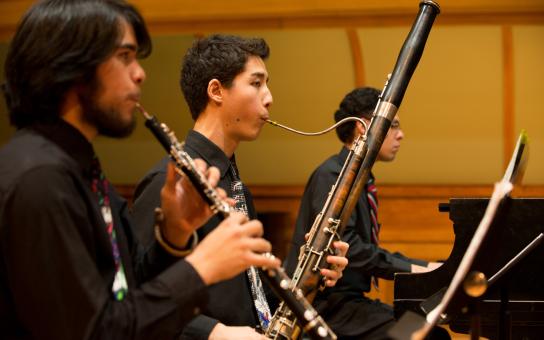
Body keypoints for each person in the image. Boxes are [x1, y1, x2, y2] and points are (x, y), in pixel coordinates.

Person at [0, 2, 280, 339]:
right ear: (72, 67)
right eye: (124, 57)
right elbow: (96, 331)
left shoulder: (81, 169)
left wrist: (173, 237)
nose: (140, 73)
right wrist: (201, 268)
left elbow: (130, 292)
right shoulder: (40, 178)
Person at [131, 34, 349, 339]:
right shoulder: (170, 184)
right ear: (216, 91)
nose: (269, 97)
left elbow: (254, 301)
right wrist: (215, 333)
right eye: (256, 83)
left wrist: (312, 274)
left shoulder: (237, 187)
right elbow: (141, 304)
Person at [284, 87, 442, 339]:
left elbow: (362, 248)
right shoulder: (333, 175)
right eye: (393, 126)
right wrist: (417, 271)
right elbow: (353, 249)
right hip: (323, 305)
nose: (401, 135)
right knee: (427, 335)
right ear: (362, 126)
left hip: (345, 303)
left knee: (425, 329)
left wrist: (423, 266)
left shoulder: (357, 177)